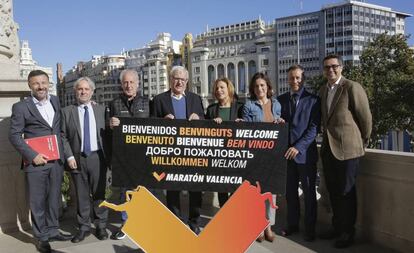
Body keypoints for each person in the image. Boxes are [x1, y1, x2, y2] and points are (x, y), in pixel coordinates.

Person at [9, 70, 72, 253]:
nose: (41, 86)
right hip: (35, 163)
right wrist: (32, 155)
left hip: (56, 160)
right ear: (29, 85)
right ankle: (41, 237)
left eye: (44, 82)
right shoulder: (21, 107)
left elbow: (59, 129)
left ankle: (53, 230)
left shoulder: (55, 100)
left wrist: (64, 154)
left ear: (48, 84)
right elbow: (14, 135)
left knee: (53, 198)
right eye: (36, 83)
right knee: (37, 202)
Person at [319, 54, 372, 248]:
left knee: (346, 192)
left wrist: (362, 141)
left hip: (349, 151)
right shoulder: (323, 90)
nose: (330, 70)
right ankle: (337, 227)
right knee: (333, 191)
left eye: (334, 66)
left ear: (341, 67)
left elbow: (365, 118)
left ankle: (348, 232)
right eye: (326, 67)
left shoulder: (351, 87)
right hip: (329, 150)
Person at [152, 65, 205, 234]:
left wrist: (199, 118)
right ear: (170, 79)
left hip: (193, 151)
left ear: (187, 82)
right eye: (176, 78)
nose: (179, 82)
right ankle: (176, 221)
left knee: (195, 189)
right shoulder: (159, 99)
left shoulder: (196, 99)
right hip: (170, 153)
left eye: (183, 79)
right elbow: (151, 124)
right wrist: (162, 120)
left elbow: (205, 123)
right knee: (172, 188)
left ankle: (194, 221)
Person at [61, 77, 109, 243]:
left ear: (92, 92)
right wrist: (69, 156)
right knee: (81, 195)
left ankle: (101, 225)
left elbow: (108, 134)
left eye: (86, 89)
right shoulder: (67, 111)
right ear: (75, 92)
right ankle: (83, 227)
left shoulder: (102, 110)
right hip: (77, 158)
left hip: (98, 158)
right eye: (80, 89)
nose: (83, 92)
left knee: (99, 193)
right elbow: (63, 136)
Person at [277, 65, 320, 242]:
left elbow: (314, 128)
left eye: (298, 78)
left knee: (309, 193)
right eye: (292, 78)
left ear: (303, 79)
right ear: (287, 79)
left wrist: (298, 147)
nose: (295, 81)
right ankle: (292, 225)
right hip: (286, 155)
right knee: (290, 194)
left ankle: (310, 229)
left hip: (305, 156)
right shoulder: (280, 100)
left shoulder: (314, 100)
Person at [108, 69, 150, 240]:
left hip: (144, 156)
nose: (129, 85)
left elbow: (156, 128)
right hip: (123, 157)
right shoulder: (114, 103)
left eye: (132, 82)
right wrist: (110, 124)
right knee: (125, 192)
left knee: (145, 192)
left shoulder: (148, 102)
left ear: (138, 84)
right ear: (121, 84)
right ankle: (127, 224)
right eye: (125, 82)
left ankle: (146, 224)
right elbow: (107, 129)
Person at [242, 72, 283, 242]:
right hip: (256, 156)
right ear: (253, 89)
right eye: (257, 86)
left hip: (272, 156)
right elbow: (245, 130)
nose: (260, 88)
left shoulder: (276, 105)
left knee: (271, 193)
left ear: (268, 87)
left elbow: (280, 128)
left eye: (262, 85)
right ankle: (257, 226)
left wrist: (280, 122)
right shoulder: (249, 106)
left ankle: (269, 226)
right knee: (256, 193)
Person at [205, 77, 244, 207]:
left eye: (222, 87)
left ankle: (234, 218)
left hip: (236, 156)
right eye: (217, 88)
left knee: (236, 190)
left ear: (229, 89)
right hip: (218, 157)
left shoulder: (240, 108)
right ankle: (224, 218)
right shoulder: (211, 110)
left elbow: (249, 130)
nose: (219, 90)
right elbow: (203, 133)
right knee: (221, 189)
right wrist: (212, 125)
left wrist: (242, 124)